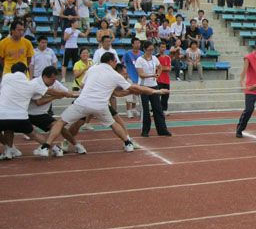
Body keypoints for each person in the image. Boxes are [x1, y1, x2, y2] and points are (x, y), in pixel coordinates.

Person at [35, 52, 168, 156]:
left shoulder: (92, 69)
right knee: (113, 124)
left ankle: (46, 147)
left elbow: (82, 85)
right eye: (115, 61)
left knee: (60, 122)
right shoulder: (115, 75)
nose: (116, 63)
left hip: (83, 102)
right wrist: (155, 91)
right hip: (100, 105)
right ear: (110, 61)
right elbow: (134, 88)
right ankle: (127, 143)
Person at [0, 63, 71, 160]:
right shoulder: (30, 84)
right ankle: (55, 148)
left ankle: (9, 150)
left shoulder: (6, 78)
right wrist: (66, 94)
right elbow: (50, 91)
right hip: (21, 117)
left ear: (12, 71)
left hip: (2, 116)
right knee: (34, 135)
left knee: (7, 129)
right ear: (26, 72)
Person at [28, 66, 86, 155]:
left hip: (41, 114)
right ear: (44, 77)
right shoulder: (35, 83)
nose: (54, 81)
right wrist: (56, 96)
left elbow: (68, 93)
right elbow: (39, 102)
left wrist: (83, 95)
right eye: (52, 79)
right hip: (28, 113)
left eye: (55, 79)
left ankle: (76, 145)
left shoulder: (54, 82)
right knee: (14, 129)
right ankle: (10, 147)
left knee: (59, 126)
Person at [135, 41, 171, 137]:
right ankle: (145, 130)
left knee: (158, 108)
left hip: (154, 85)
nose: (151, 51)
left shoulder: (154, 58)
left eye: (152, 49)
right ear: (144, 49)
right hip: (143, 87)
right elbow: (141, 74)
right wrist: (152, 74)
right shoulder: (140, 60)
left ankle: (162, 129)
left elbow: (160, 67)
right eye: (149, 50)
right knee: (145, 110)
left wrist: (158, 74)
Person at [122, 38, 143, 118]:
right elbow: (123, 63)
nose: (138, 45)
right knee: (129, 94)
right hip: (130, 76)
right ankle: (128, 110)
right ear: (132, 44)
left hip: (139, 76)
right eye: (136, 43)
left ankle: (134, 109)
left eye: (139, 43)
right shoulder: (127, 53)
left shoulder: (142, 53)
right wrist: (125, 73)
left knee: (136, 94)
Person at [156, 43, 171, 115]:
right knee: (157, 96)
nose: (163, 48)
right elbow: (156, 68)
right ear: (159, 48)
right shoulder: (155, 57)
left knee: (166, 95)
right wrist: (163, 68)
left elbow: (168, 68)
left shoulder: (168, 57)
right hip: (158, 79)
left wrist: (161, 68)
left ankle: (164, 109)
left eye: (164, 47)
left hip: (166, 79)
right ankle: (155, 110)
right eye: (162, 47)